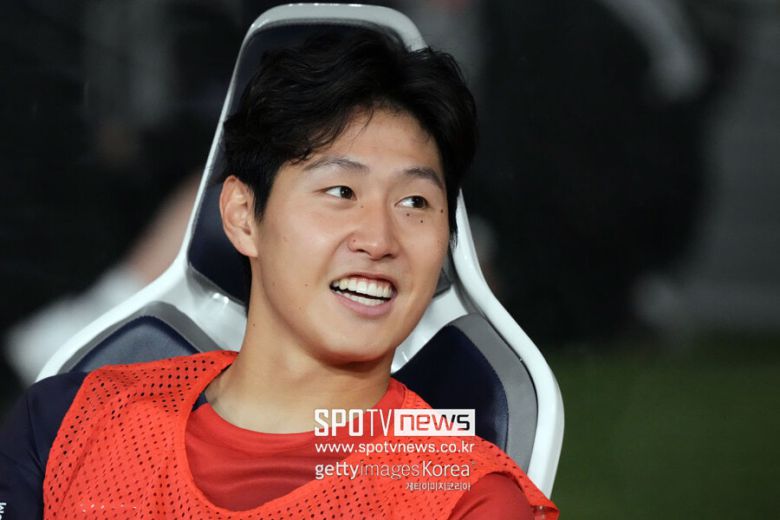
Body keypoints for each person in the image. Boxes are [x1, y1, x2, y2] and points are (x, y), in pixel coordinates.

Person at [0, 28, 558, 519]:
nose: (379, 240)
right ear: (243, 216)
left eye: (414, 202)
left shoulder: (465, 499)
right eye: (341, 191)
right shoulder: (65, 424)